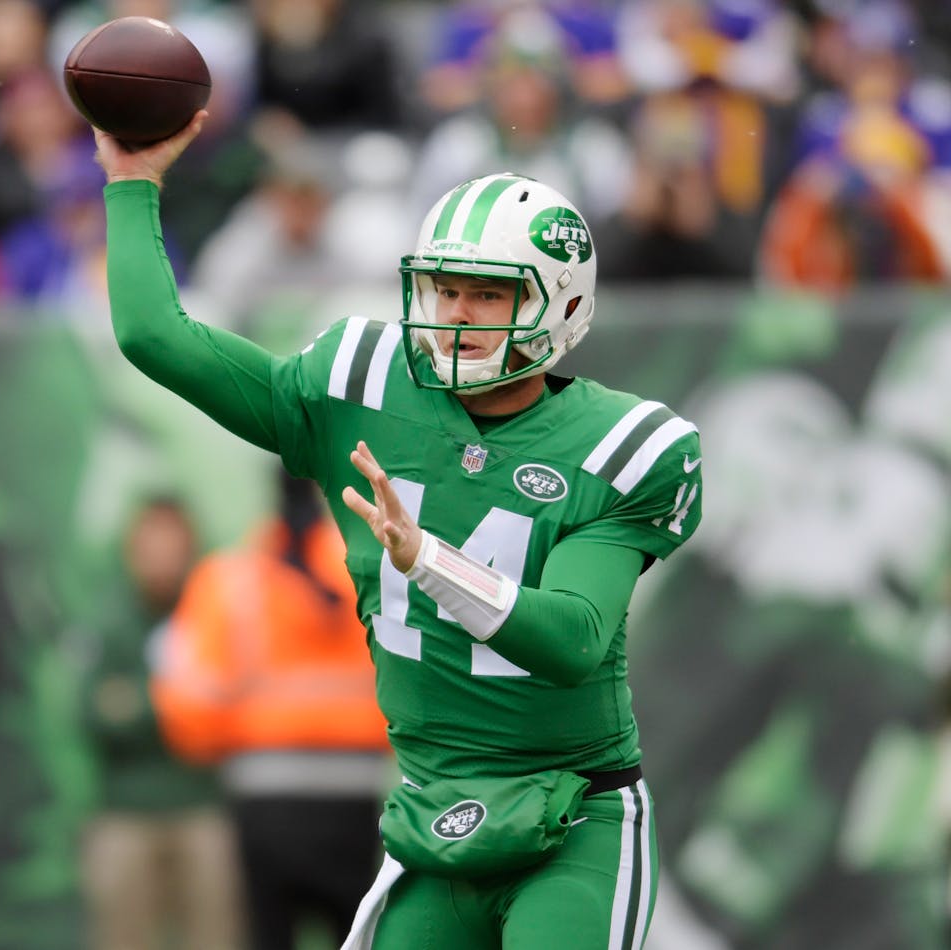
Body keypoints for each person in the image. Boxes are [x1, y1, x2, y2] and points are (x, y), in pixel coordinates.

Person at [94, 111, 704, 949]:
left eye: (490, 293)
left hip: (575, 812)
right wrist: (133, 180)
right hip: (435, 806)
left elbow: (573, 639)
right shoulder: (361, 384)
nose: (457, 313)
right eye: (445, 288)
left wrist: (429, 561)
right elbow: (154, 335)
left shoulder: (622, 448)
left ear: (561, 305)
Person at [151, 470, 390, 950]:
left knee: (267, 935)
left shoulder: (230, 578)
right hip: (356, 801)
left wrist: (236, 732)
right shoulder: (367, 570)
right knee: (358, 935)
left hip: (263, 803)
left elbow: (186, 705)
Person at [78, 495, 243, 950]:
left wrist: (138, 701)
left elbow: (231, 706)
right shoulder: (109, 621)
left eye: (173, 541)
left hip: (204, 810)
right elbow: (93, 716)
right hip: (124, 815)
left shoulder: (212, 614)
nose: (162, 554)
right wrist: (177, 702)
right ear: (132, 548)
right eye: (151, 541)